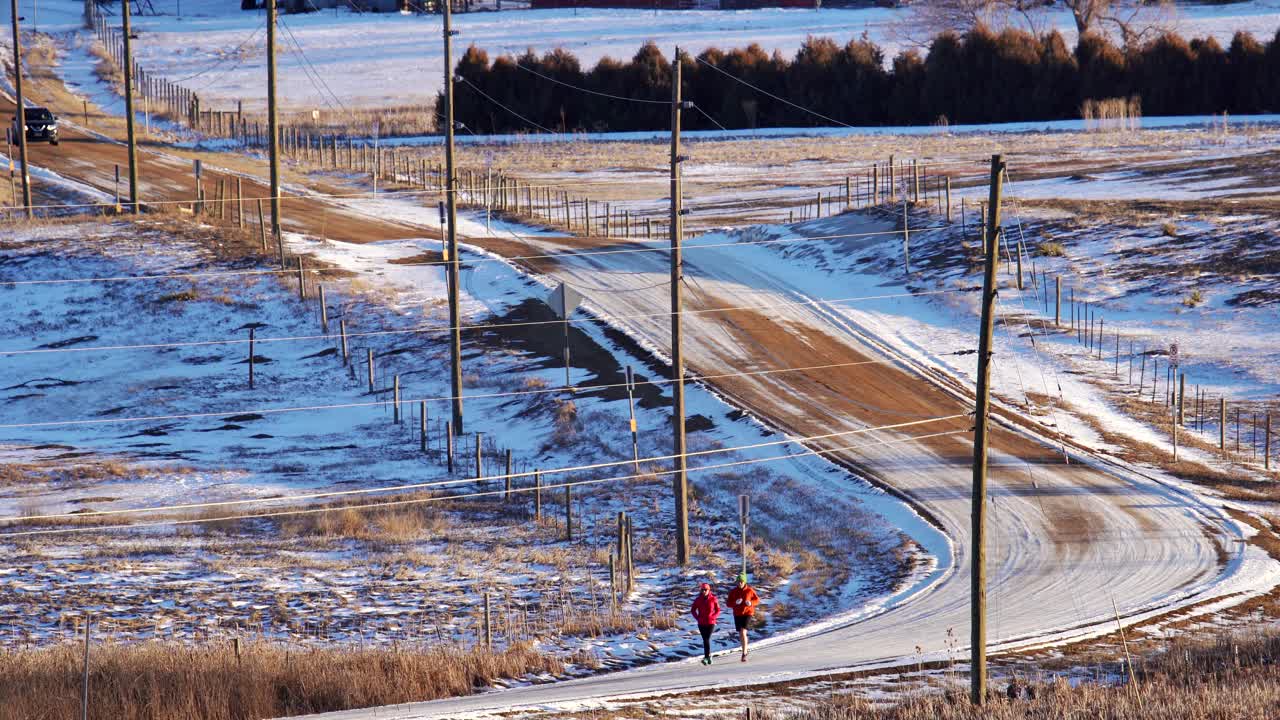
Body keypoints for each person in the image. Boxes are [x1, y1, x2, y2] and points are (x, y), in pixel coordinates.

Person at [727, 572, 759, 661]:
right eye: (738, 581)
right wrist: (735, 603)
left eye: (741, 581)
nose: (740, 583)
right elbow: (728, 603)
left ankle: (744, 653)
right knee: (741, 634)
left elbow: (757, 600)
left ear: (744, 582)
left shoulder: (750, 590)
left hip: (748, 613)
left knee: (743, 632)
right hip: (737, 614)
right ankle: (745, 649)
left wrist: (751, 603)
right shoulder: (733, 592)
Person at [690, 582, 720, 665]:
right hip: (701, 623)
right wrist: (697, 618)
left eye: (705, 590)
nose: (703, 591)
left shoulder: (713, 599)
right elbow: (693, 610)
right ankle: (708, 656)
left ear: (709, 590)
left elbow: (718, 610)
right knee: (705, 640)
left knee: (706, 639)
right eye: (702, 590)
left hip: (711, 622)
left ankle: (706, 658)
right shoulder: (698, 599)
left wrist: (714, 617)